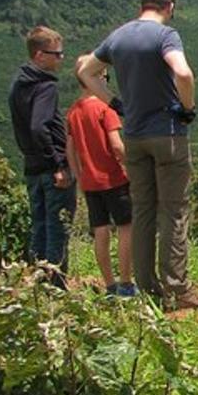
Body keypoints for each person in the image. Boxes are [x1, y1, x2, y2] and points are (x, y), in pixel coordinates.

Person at [75, 0, 198, 309]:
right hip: (168, 134)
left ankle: (147, 289)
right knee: (174, 211)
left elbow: (87, 72)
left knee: (144, 211)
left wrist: (114, 102)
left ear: (142, 6)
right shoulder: (166, 35)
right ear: (170, 7)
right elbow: (184, 73)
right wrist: (187, 109)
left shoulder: (118, 36)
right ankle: (177, 288)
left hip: (133, 136)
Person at [8, 25, 76, 287]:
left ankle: (37, 283)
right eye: (56, 54)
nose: (61, 58)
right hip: (51, 168)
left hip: (32, 166)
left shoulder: (18, 84)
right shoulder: (45, 86)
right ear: (39, 55)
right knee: (57, 227)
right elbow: (39, 125)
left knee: (39, 226)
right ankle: (55, 287)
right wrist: (58, 163)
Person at [66, 68, 136, 297]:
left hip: (90, 182)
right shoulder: (106, 109)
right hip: (114, 178)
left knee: (101, 231)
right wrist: (130, 166)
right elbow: (116, 145)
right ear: (94, 80)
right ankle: (126, 283)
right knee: (126, 227)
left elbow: (71, 150)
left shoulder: (73, 112)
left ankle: (109, 285)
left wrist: (80, 177)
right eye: (105, 78)